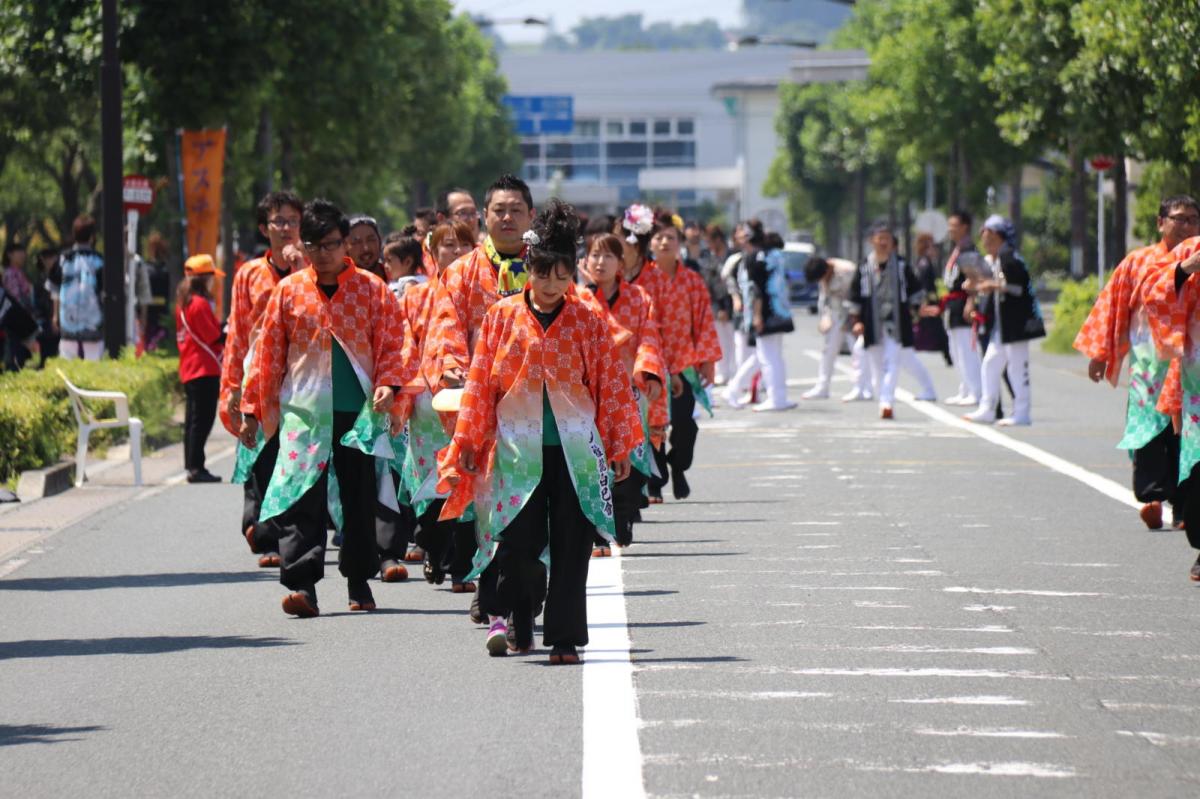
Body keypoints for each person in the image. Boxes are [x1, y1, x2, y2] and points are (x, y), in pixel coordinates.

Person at [437, 199, 642, 663]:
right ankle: (520, 615)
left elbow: (610, 385)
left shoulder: (588, 320)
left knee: (572, 546)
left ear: (573, 274)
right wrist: (468, 442)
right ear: (528, 267)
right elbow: (481, 385)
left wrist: (618, 444)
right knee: (517, 544)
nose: (552, 285)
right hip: (515, 448)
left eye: (563, 275)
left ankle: (566, 638)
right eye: (543, 272)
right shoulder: (501, 317)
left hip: (575, 450)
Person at [240, 199, 415, 617]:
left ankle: (359, 581)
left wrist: (390, 386)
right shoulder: (289, 291)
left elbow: (394, 342)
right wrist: (251, 408)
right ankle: (302, 584)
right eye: (315, 245)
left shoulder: (372, 291)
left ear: (345, 246)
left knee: (357, 501)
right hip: (303, 412)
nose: (324, 253)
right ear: (305, 247)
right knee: (302, 497)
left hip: (358, 414)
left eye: (332, 244)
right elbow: (268, 354)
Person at [428, 173, 539, 623]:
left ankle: (525, 592)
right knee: (489, 501)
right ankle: (491, 591)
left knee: (534, 504)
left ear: (531, 216)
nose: (507, 217)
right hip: (484, 406)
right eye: (499, 210)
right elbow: (444, 329)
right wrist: (453, 368)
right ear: (484, 218)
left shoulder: (548, 268)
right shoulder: (461, 272)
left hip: (537, 407)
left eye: (516, 210)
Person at [1076, 196, 1200, 530]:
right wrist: (1101, 353)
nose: (1187, 225)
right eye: (1179, 218)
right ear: (1161, 222)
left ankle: (1185, 508)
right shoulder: (1139, 261)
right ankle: (1153, 498)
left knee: (1186, 436)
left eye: (1193, 219)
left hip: (1189, 368)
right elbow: (1111, 306)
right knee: (1147, 433)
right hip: (1148, 366)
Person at [220, 190, 305, 569]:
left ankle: (295, 531)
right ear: (264, 228)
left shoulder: (311, 269)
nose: (285, 228)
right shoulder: (249, 274)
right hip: (259, 376)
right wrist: (234, 383)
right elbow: (238, 331)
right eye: (278, 221)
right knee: (261, 455)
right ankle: (264, 532)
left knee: (297, 455)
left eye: (292, 220)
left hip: (303, 377)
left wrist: (300, 265)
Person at [398, 221, 478, 593]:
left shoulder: (482, 292)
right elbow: (404, 348)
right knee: (433, 486)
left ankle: (462, 566)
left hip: (475, 400)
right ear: (431, 251)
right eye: (448, 245)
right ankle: (433, 546)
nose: (456, 252)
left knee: (468, 481)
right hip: (430, 403)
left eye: (464, 245)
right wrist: (405, 393)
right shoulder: (415, 297)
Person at [577, 231, 666, 553]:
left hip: (629, 390)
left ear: (620, 263)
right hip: (590, 395)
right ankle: (600, 531)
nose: (600, 262)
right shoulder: (578, 298)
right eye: (594, 255)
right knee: (594, 463)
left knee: (631, 463)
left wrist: (649, 372)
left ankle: (623, 516)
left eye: (608, 256)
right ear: (585, 261)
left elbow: (648, 338)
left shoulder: (640, 298)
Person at [642, 211, 722, 497]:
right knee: (654, 425)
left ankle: (678, 465)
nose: (664, 242)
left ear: (680, 243)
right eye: (659, 237)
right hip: (651, 364)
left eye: (671, 237)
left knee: (686, 427)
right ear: (650, 242)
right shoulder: (642, 280)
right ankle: (656, 481)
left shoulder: (692, 280)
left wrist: (708, 361)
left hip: (685, 364)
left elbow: (704, 321)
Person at [1144, 234, 1200, 578]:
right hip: (1197, 380)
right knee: (1197, 469)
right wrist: (1183, 270)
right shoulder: (1191, 250)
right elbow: (1152, 293)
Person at [962, 215, 1045, 426]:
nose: (985, 244)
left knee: (1017, 368)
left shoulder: (1010, 258)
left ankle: (1022, 412)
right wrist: (980, 284)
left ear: (1000, 237)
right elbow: (997, 282)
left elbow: (1017, 288)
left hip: (1016, 325)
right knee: (990, 364)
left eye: (989, 239)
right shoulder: (999, 259)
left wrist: (991, 286)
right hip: (1002, 326)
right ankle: (987, 408)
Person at [849, 224, 932, 419]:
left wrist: (917, 309)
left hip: (896, 322)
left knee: (892, 361)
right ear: (872, 241)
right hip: (872, 322)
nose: (883, 242)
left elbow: (915, 291)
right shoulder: (864, 266)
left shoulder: (902, 266)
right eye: (880, 238)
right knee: (877, 365)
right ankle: (883, 399)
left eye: (887, 238)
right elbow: (854, 296)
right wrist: (856, 320)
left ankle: (887, 400)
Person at [176, 254, 225, 483]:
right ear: (203, 278)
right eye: (212, 277)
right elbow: (213, 336)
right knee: (202, 420)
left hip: (189, 367)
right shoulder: (200, 303)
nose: (214, 282)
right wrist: (228, 329)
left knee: (192, 420)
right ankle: (197, 467)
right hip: (204, 368)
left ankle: (191, 465)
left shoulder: (184, 302)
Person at [939, 210, 983, 406]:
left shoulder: (969, 250)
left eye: (954, 226)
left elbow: (974, 279)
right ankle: (964, 388)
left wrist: (971, 302)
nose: (950, 229)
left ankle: (976, 391)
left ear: (964, 227)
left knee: (967, 349)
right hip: (952, 304)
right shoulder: (956, 249)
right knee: (955, 349)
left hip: (964, 302)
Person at [801, 255, 859, 399]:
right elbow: (825, 298)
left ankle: (861, 387)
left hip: (854, 315)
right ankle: (822, 387)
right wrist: (824, 317)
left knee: (857, 351)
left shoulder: (847, 271)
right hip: (835, 314)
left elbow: (854, 298)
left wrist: (850, 321)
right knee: (828, 351)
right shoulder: (822, 273)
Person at [48, 215, 105, 361]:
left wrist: (55, 315)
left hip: (67, 318)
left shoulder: (63, 259)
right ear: (93, 237)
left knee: (67, 359)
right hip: (94, 319)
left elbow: (54, 288)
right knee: (94, 360)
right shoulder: (100, 260)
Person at [912, 232, 950, 364]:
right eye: (932, 246)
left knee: (939, 332)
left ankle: (949, 356)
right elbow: (924, 287)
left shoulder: (924, 262)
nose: (935, 249)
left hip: (930, 303)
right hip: (929, 304)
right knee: (939, 332)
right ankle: (949, 356)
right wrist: (927, 304)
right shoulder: (924, 264)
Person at [2, 241, 34, 370]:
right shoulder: (10, 273)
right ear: (9, 255)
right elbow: (16, 299)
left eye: (23, 252)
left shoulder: (18, 272)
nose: (23, 255)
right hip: (16, 321)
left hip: (20, 320)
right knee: (16, 357)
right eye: (19, 252)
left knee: (19, 356)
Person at [142, 233, 171, 351]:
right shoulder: (165, 269)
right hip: (162, 309)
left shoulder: (146, 268)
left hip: (149, 309)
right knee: (159, 339)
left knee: (150, 339)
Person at [32, 247, 60, 365]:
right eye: (48, 258)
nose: (52, 260)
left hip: (59, 320)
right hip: (45, 323)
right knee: (46, 355)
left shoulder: (60, 276)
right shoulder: (40, 281)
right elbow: (38, 303)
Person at [347, 215, 385, 279]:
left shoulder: (398, 276)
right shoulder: (338, 284)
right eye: (357, 242)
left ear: (380, 241)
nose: (365, 248)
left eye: (371, 240)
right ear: (345, 248)